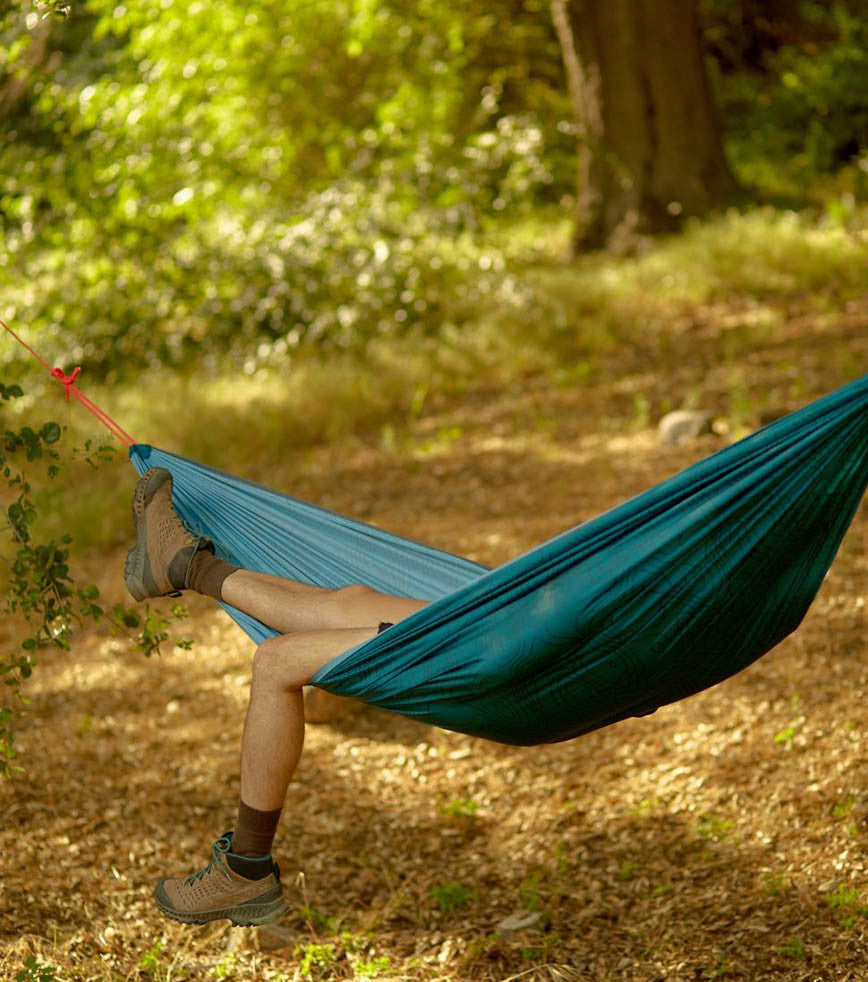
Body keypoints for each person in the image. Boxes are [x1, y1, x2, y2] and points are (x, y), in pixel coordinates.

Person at [124, 467, 428, 926]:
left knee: (277, 661)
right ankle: (183, 565)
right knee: (347, 603)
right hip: (495, 619)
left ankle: (246, 867)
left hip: (494, 649)